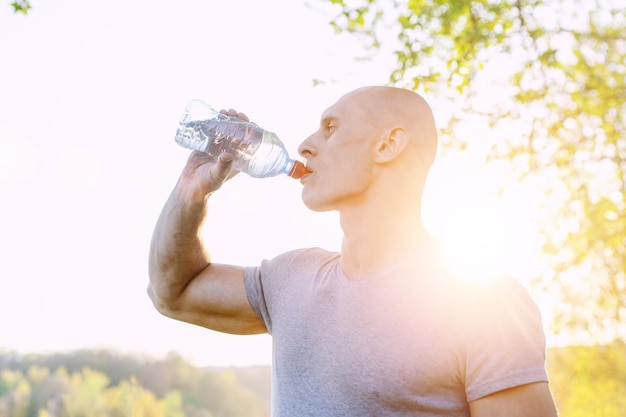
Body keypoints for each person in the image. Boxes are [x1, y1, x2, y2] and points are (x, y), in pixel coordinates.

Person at [148, 86, 559, 417]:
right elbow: (173, 291)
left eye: (330, 127)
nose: (305, 145)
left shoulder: (482, 301)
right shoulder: (291, 280)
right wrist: (191, 191)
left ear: (388, 145)